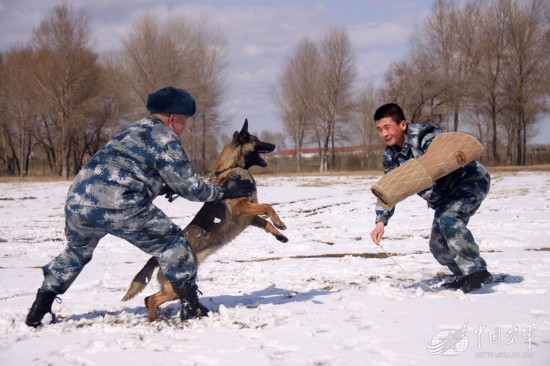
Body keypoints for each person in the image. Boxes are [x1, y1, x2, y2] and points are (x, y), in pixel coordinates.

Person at [25, 86, 255, 327]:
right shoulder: (165, 139)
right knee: (172, 243)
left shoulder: (130, 132)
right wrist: (223, 191)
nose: (185, 127)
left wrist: (164, 186)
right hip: (120, 204)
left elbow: (127, 168)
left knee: (76, 251)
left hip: (78, 201)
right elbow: (192, 188)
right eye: (185, 121)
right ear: (173, 118)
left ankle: (39, 309)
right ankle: (190, 305)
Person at [370, 103, 492, 293]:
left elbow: (445, 152)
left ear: (402, 125)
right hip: (444, 197)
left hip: (469, 182)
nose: (383, 134)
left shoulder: (425, 136)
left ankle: (476, 273)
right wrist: (381, 221)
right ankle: (463, 273)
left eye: (387, 127)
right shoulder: (390, 156)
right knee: (438, 246)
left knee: (449, 219)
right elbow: (390, 187)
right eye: (379, 129)